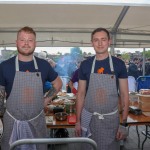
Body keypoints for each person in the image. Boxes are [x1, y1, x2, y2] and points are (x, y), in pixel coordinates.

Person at [0, 26, 62, 150]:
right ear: (16, 42)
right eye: (22, 40)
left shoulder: (43, 65)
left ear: (35, 43)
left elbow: (58, 83)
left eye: (30, 40)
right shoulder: (5, 66)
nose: (26, 43)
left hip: (37, 122)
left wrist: (45, 100)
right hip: (12, 123)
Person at [75, 27, 129, 150]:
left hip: (110, 120)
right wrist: (78, 121)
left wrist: (123, 124)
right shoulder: (85, 65)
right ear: (91, 43)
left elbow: (125, 95)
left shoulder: (119, 64)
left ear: (109, 41)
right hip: (88, 118)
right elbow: (81, 94)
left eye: (103, 39)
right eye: (96, 40)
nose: (100, 43)